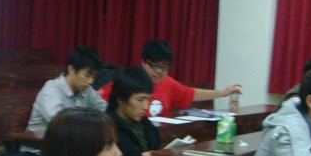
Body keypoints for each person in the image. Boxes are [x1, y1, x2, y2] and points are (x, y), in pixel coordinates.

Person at [98, 40, 241, 117]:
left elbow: (191, 93)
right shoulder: (129, 81)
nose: (159, 72)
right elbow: (98, 100)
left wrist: (223, 92)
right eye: (154, 66)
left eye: (164, 67)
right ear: (143, 62)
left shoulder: (167, 83)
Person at [25, 46, 107, 132]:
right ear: (71, 69)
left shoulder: (87, 90)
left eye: (94, 77)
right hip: (38, 139)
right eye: (87, 75)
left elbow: (106, 110)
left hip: (69, 138)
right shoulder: (51, 89)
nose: (91, 81)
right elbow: (59, 122)